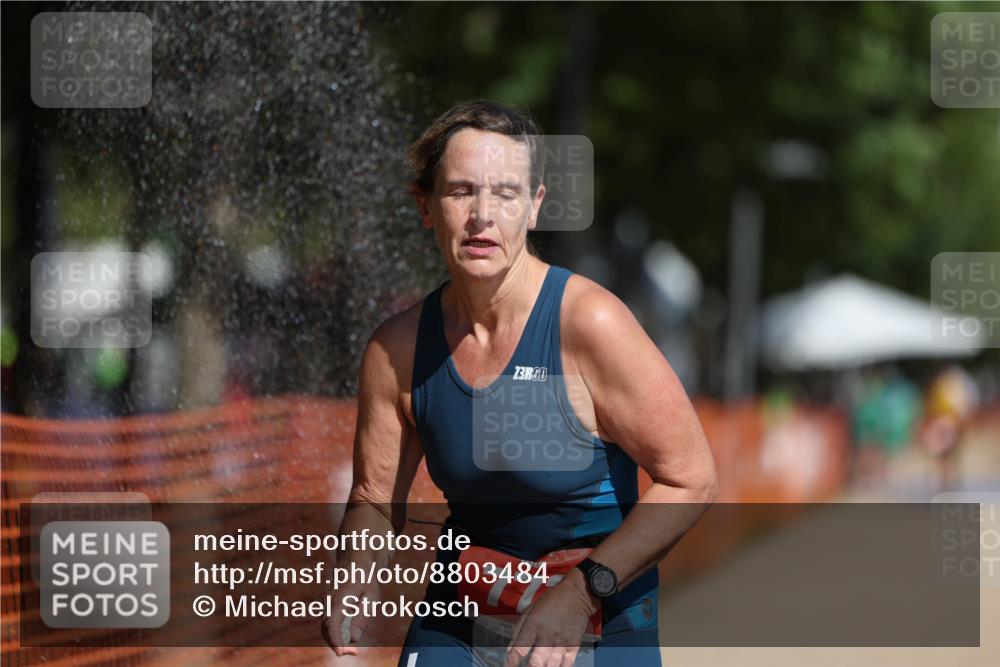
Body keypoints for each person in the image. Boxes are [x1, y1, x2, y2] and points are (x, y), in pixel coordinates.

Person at [322, 100, 718, 666]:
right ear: (425, 206)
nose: (483, 215)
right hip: (462, 618)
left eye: (505, 193)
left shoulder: (589, 324)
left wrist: (580, 591)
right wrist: (353, 576)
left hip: (597, 618)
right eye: (460, 192)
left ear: (534, 207)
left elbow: (692, 480)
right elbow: (374, 501)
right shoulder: (398, 349)